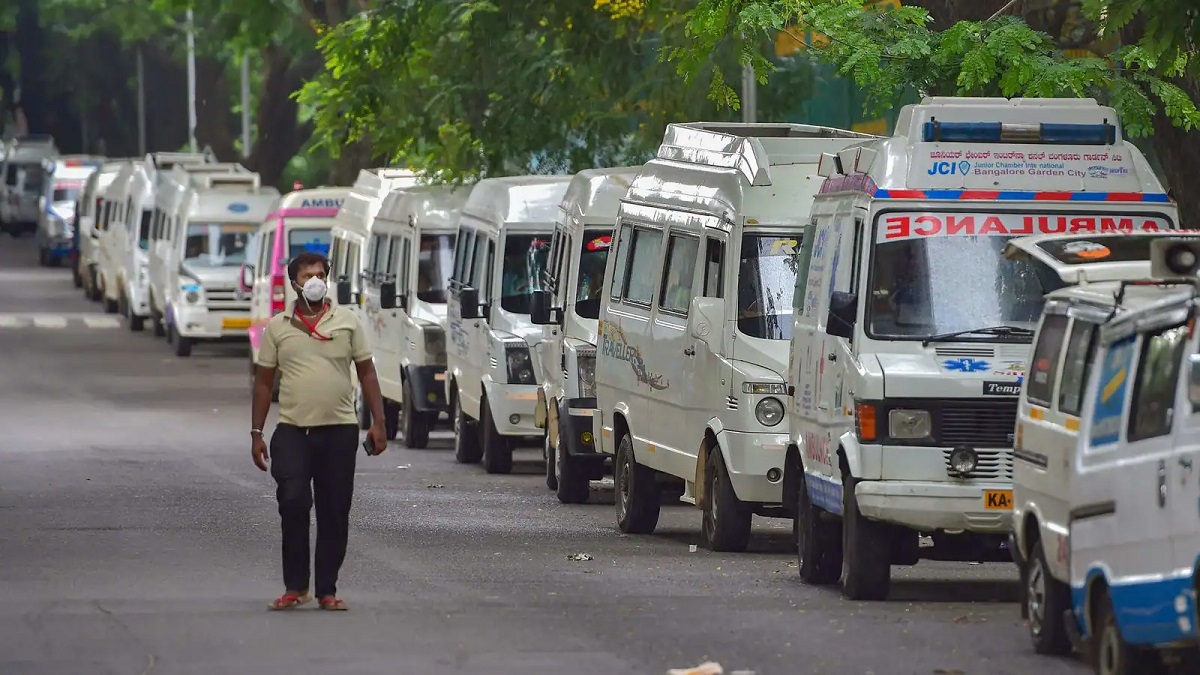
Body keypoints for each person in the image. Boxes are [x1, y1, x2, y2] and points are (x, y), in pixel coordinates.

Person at [250, 251, 388, 612]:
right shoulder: (278, 327)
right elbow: (264, 384)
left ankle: (327, 588)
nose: (314, 280)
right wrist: (256, 432)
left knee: (334, 510)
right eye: (306, 275)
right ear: (293, 283)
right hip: (294, 431)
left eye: (320, 274)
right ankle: (296, 586)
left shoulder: (347, 322)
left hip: (340, 431)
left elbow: (368, 371)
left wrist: (379, 421)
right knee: (293, 500)